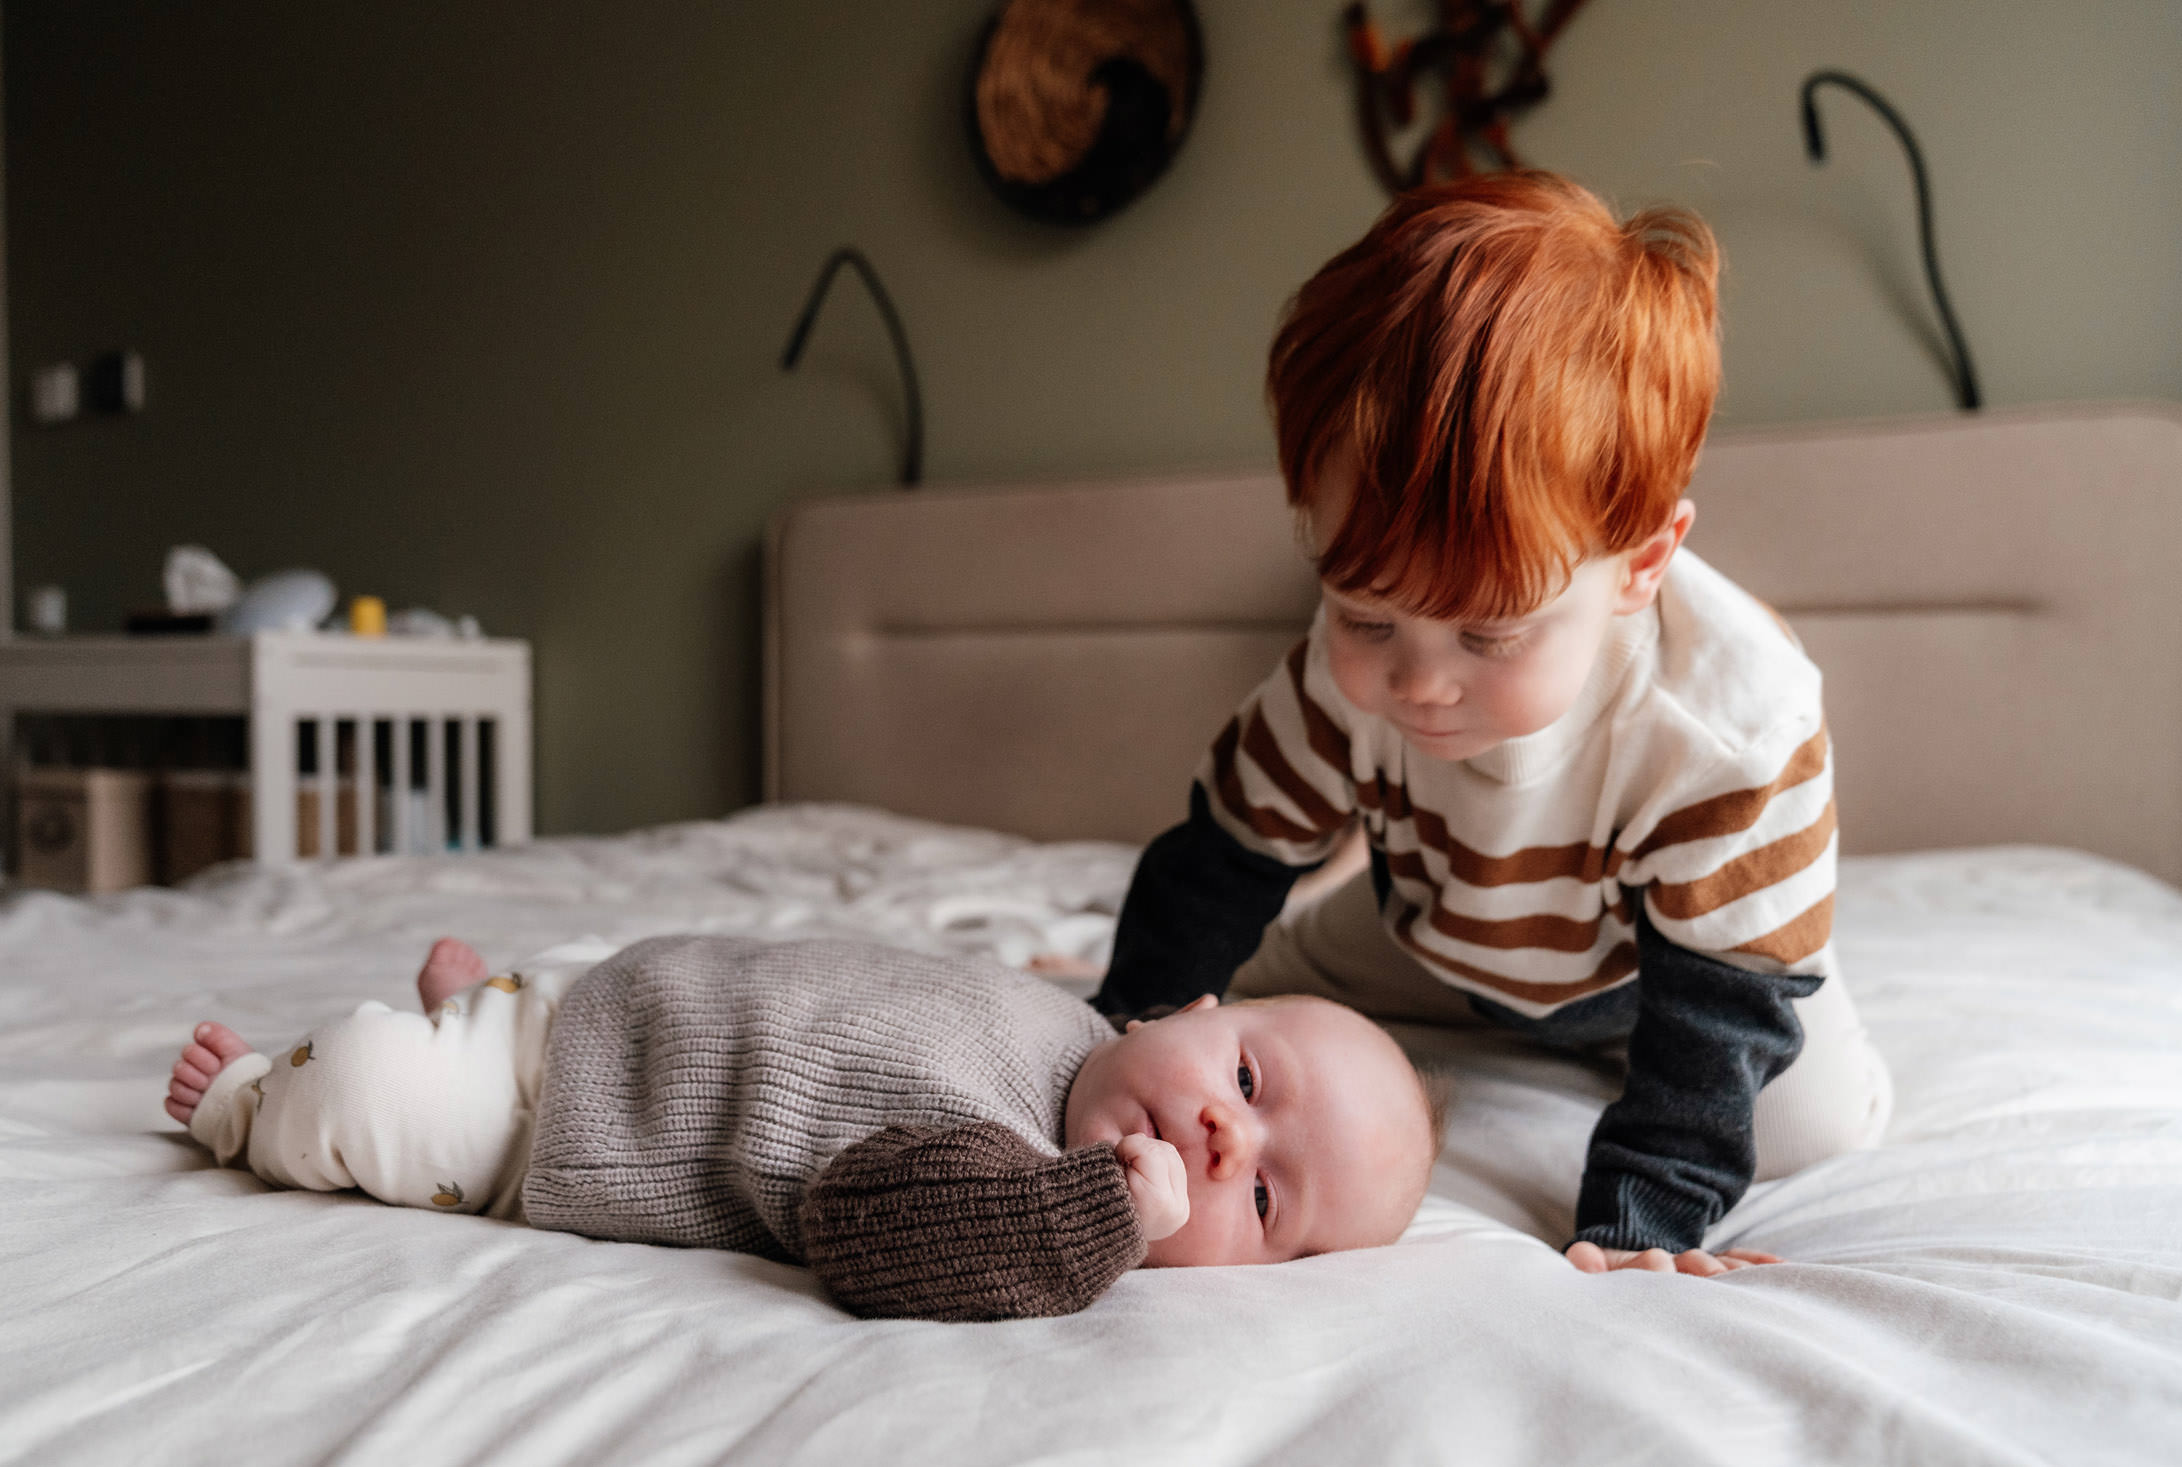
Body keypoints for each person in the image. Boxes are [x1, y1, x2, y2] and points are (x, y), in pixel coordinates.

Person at [1095, 171, 1892, 1278]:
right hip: (1439, 930)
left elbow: (1719, 1022)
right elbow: (1220, 864)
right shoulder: (1336, 680)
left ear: (1641, 565)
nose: (1418, 683)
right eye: (1367, 613)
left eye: (1489, 637)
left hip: (1672, 965)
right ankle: (1366, 917)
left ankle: (1776, 943)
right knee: (1263, 1007)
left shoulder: (1728, 730)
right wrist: (1123, 1020)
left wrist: (1638, 1218)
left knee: (1809, 1130)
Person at [165, 932, 1437, 1321]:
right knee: (495, 1013)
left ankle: (250, 1105)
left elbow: (865, 1230)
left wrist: (1102, 1213)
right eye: (1252, 1083)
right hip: (613, 997)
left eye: (1265, 1204)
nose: (1226, 1142)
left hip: (548, 1124)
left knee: (371, 1084)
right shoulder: (1072, 1024)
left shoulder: (1028, 1192)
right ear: (1196, 1011)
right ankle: (481, 1000)